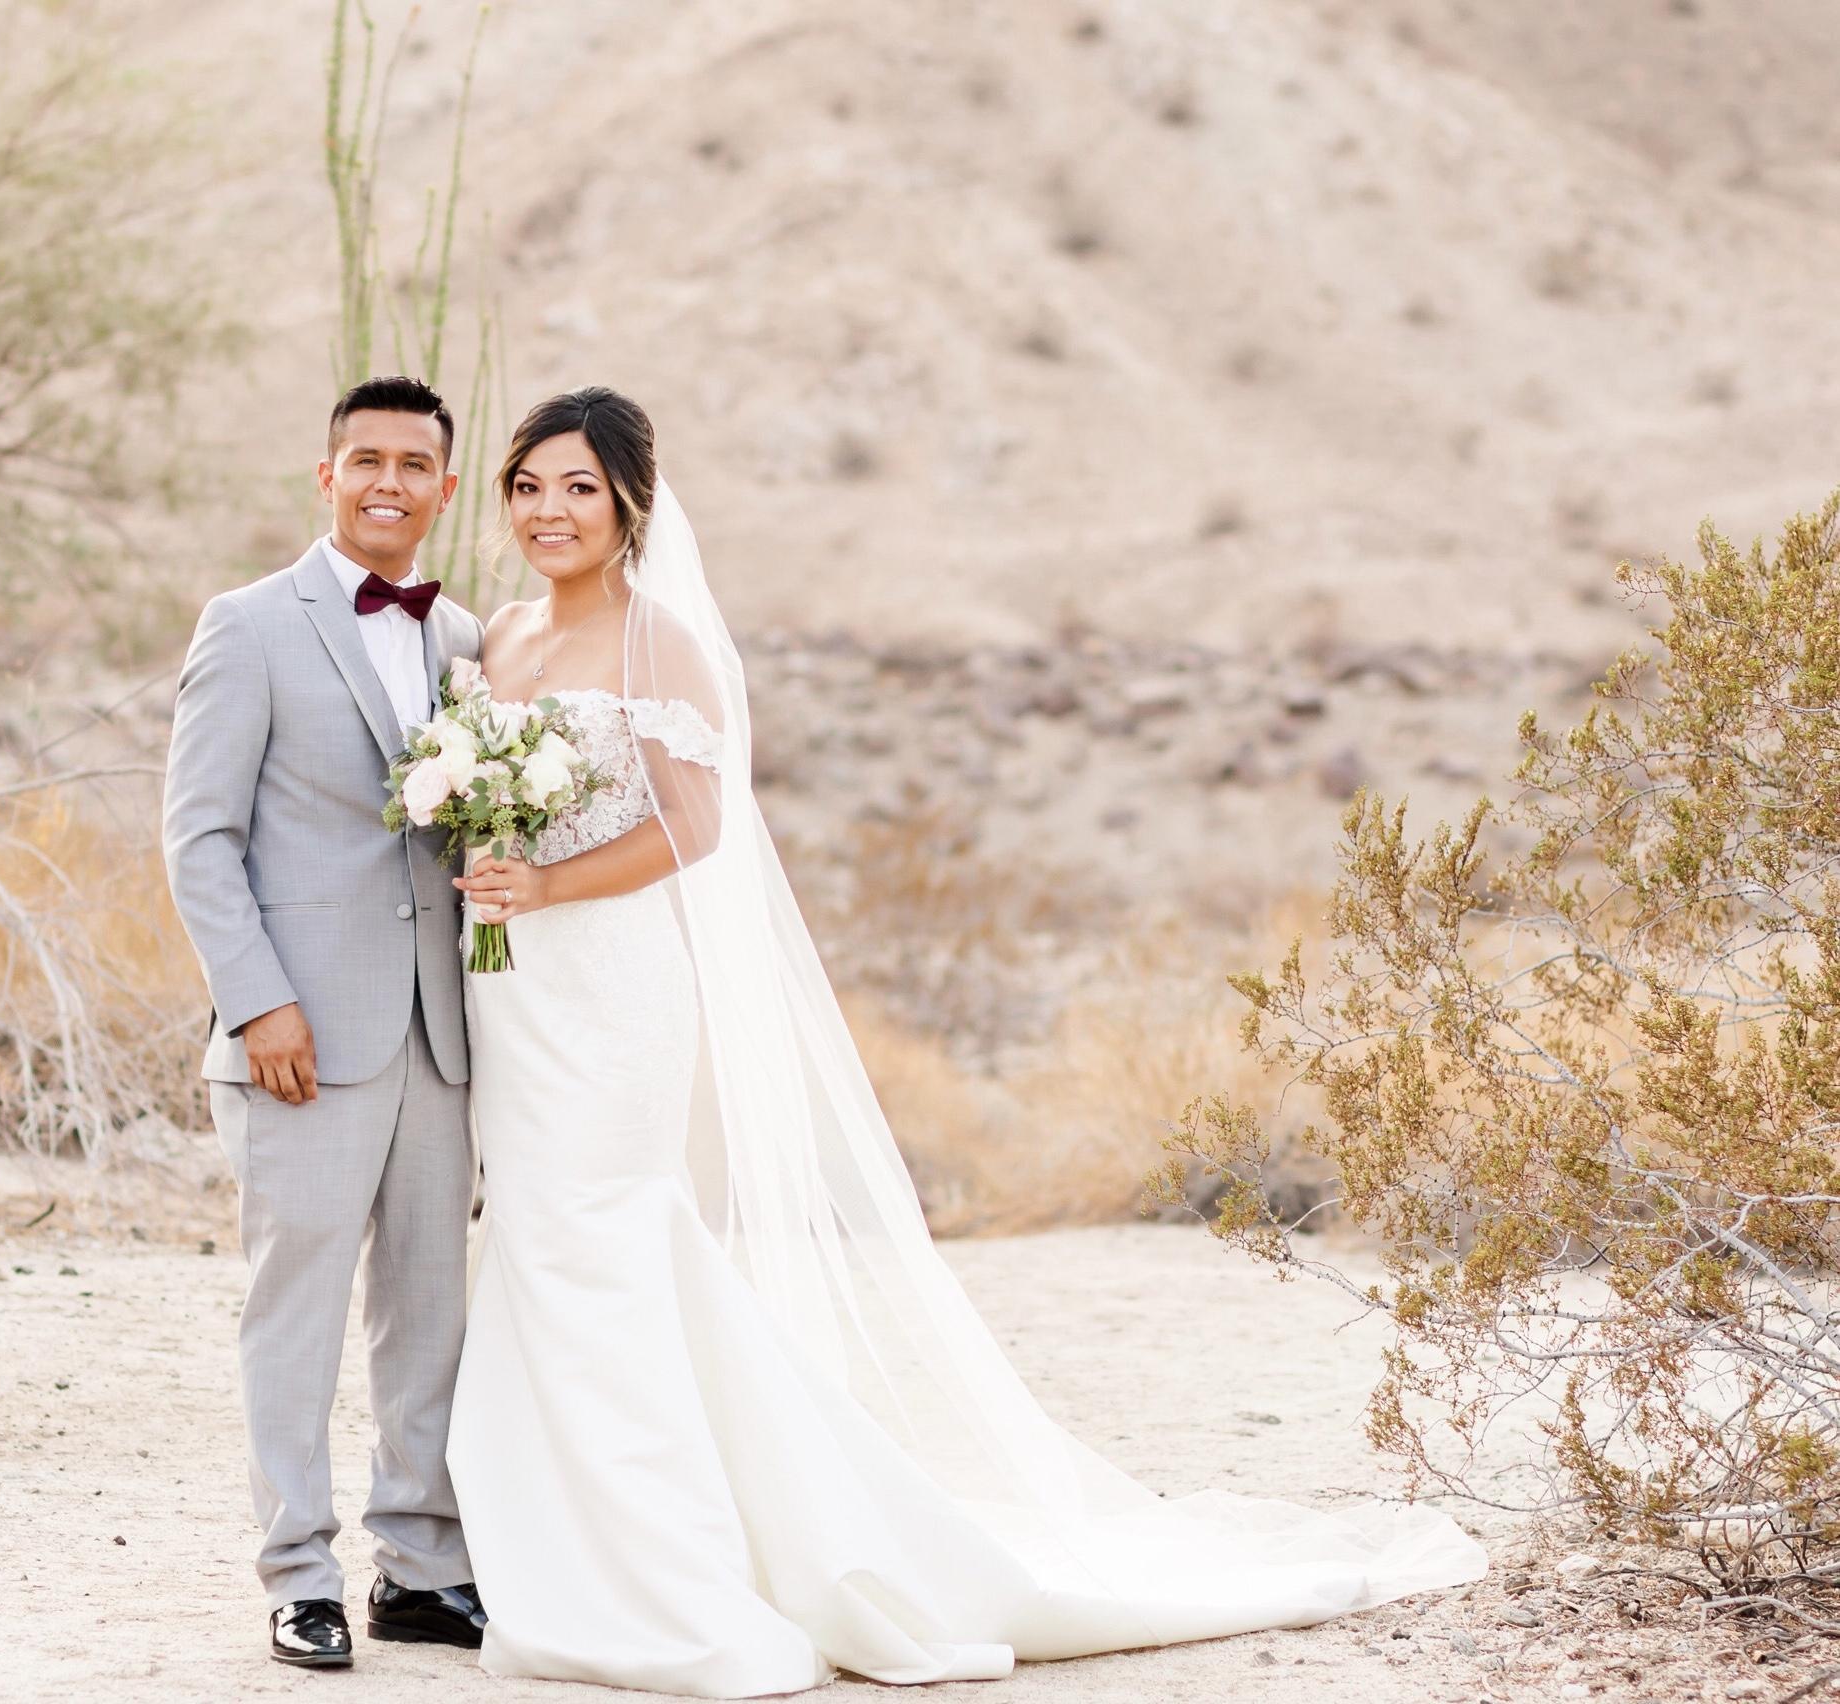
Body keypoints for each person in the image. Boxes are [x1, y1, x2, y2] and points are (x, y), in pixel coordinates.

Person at [441, 385, 1488, 1696]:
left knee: (607, 1238)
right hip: (515, 990)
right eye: (527, 486)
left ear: (630, 503)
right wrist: (495, 859)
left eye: (578, 488)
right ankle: (559, 1547)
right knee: (535, 1240)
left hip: (611, 987)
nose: (548, 510)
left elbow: (694, 829)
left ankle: (665, 1568)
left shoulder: (663, 643)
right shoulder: (502, 636)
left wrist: (549, 884)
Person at [161, 375, 492, 1669]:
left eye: (414, 466)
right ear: (327, 475)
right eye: (366, 461)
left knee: (430, 1312)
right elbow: (200, 838)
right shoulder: (248, 625)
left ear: (444, 489)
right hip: (297, 1038)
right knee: (294, 1311)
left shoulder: (467, 641)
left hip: (437, 1040)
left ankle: (421, 1565)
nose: (388, 484)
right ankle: (299, 1572)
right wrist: (260, 1004)